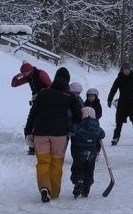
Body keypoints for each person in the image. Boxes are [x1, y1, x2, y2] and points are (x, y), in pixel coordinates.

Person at [26, 67, 82, 202]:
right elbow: (78, 117)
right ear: (67, 81)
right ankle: (55, 192)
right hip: (60, 134)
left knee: (43, 162)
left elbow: (33, 113)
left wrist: (28, 131)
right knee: (56, 163)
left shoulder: (43, 93)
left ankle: (45, 188)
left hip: (41, 133)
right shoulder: (70, 96)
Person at [12, 62, 53, 154]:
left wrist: (41, 93)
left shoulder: (40, 73)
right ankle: (32, 147)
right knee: (30, 124)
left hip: (45, 103)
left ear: (30, 70)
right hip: (36, 102)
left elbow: (52, 86)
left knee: (38, 124)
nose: (23, 75)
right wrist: (16, 77)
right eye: (22, 73)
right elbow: (14, 85)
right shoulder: (28, 77)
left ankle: (40, 147)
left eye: (24, 73)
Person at [70, 106, 106, 198]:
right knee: (89, 168)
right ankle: (87, 185)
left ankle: (79, 181)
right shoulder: (97, 126)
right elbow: (102, 134)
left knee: (78, 167)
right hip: (92, 151)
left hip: (79, 150)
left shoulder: (79, 125)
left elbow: (72, 129)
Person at [107, 64, 133, 146]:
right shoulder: (119, 79)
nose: (127, 71)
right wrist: (109, 100)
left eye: (128, 70)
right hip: (122, 104)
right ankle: (115, 138)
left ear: (130, 70)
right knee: (119, 122)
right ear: (122, 70)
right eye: (125, 70)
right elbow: (113, 90)